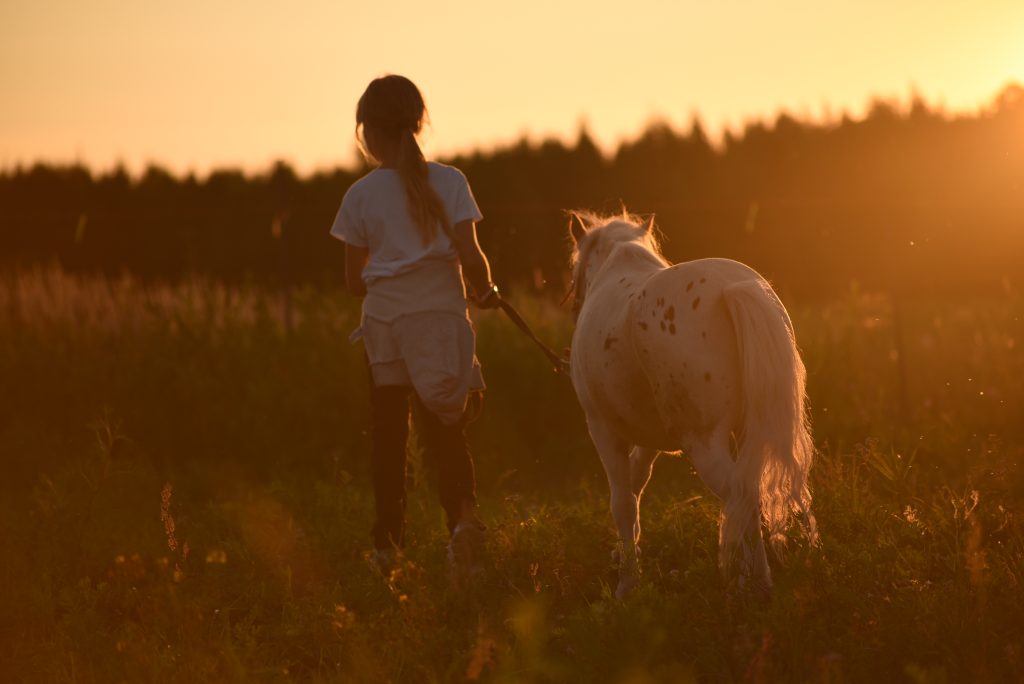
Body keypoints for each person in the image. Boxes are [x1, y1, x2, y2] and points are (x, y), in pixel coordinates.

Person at [330, 75, 498, 577]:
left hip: (386, 329)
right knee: (447, 433)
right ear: (419, 123)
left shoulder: (358, 196)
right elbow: (473, 259)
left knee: (388, 437)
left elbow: (354, 284)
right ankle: (464, 529)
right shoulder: (451, 182)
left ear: (366, 133)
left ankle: (388, 549)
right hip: (442, 325)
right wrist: (484, 290)